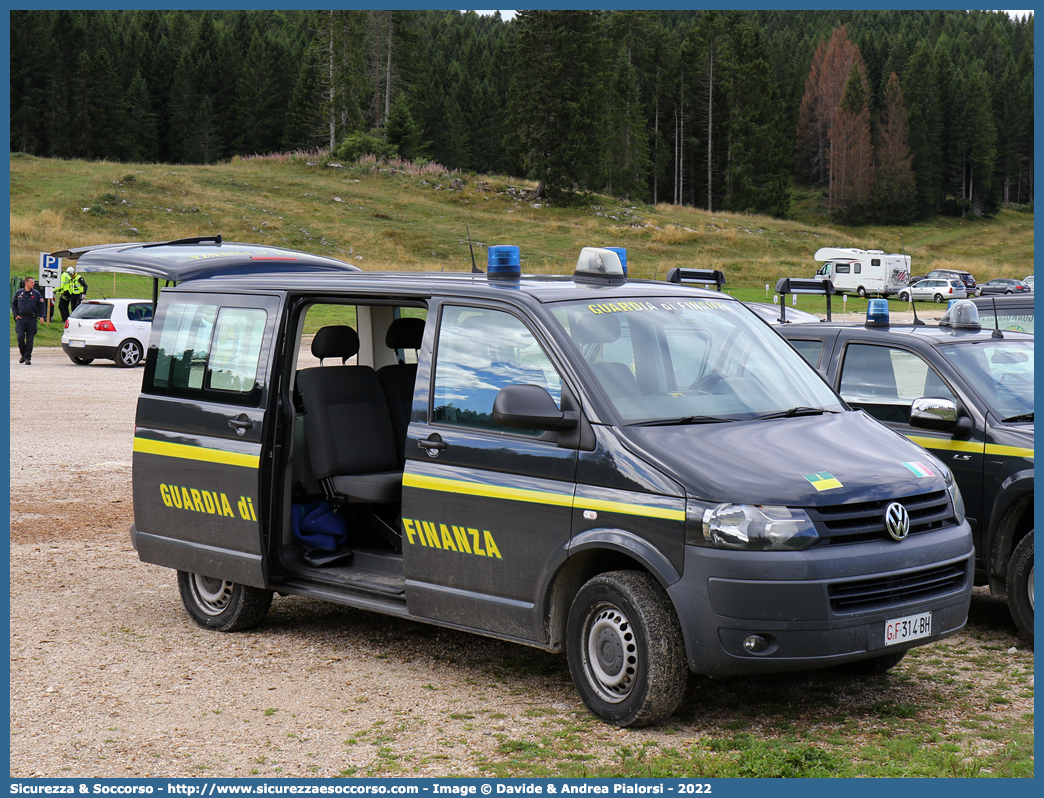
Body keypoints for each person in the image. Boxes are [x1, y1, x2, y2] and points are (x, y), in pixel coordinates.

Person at [12, 275, 45, 365]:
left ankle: (27, 358)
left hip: (31, 319)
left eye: (34, 282)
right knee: (20, 337)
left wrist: (42, 316)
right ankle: (23, 354)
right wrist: (15, 315)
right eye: (31, 282)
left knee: (30, 339)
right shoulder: (19, 293)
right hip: (21, 319)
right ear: (26, 283)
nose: (33, 284)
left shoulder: (36, 293)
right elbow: (13, 305)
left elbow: (42, 305)